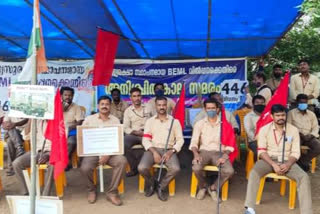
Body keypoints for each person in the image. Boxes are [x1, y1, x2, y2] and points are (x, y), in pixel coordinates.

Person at [244, 104, 313, 214]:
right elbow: (261, 151)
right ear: (272, 116)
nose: (281, 118)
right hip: (268, 160)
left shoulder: (293, 130)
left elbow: (296, 152)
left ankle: (307, 212)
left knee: (304, 177)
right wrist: (273, 164)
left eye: (283, 115)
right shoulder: (264, 129)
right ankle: (249, 208)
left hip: (287, 160)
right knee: (254, 173)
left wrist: (288, 164)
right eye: (278, 115)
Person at [80, 96, 127, 205]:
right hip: (93, 152)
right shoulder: (89, 120)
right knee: (85, 168)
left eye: (107, 104)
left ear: (110, 106)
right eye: (102, 104)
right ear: (98, 106)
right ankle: (91, 190)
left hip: (110, 153)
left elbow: (118, 140)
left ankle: (112, 192)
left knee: (122, 161)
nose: (104, 106)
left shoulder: (115, 120)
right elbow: (82, 137)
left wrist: (108, 155)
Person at [138, 96, 184, 201]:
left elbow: (180, 140)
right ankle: (151, 183)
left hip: (169, 150)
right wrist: (154, 152)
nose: (162, 107)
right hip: (152, 149)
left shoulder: (174, 122)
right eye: (159, 105)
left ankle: (161, 186)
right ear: (156, 106)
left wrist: (171, 151)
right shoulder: (150, 121)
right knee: (142, 167)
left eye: (164, 105)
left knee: (175, 168)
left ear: (167, 106)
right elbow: (145, 140)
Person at [190, 99, 234, 201]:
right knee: (196, 168)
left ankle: (213, 188)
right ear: (205, 109)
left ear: (217, 109)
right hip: (204, 151)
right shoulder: (199, 124)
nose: (211, 110)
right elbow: (194, 142)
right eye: (208, 108)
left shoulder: (225, 125)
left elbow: (230, 144)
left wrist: (225, 155)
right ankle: (203, 187)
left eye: (213, 108)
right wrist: (196, 154)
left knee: (229, 171)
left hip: (219, 152)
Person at [12, 120, 53, 196]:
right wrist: (30, 120)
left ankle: (45, 194)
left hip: (52, 152)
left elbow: (63, 144)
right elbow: (25, 137)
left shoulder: (59, 121)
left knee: (52, 164)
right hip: (37, 151)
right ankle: (27, 192)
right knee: (16, 163)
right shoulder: (37, 121)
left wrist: (49, 155)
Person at [287, 94, 320, 172]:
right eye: (301, 103)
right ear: (297, 103)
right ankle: (297, 163)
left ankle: (302, 161)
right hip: (296, 135)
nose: (303, 105)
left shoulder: (311, 114)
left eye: (305, 103)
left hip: (309, 136)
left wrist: (311, 135)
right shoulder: (291, 113)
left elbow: (316, 127)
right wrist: (298, 134)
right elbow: (288, 126)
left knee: (318, 147)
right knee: (294, 147)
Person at [123, 87, 151, 177]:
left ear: (141, 96)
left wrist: (146, 132)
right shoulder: (128, 111)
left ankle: (147, 169)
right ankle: (135, 168)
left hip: (147, 134)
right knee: (123, 143)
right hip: (134, 134)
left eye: (138, 95)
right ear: (131, 98)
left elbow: (155, 121)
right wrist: (135, 132)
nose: (137, 98)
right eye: (134, 96)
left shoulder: (148, 107)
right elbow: (125, 127)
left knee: (149, 148)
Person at [60, 87, 85, 159]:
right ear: (61, 96)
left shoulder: (76, 107)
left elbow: (80, 122)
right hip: (57, 131)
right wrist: (61, 109)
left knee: (71, 142)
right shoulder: (56, 106)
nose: (68, 97)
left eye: (70, 95)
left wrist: (69, 128)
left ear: (73, 96)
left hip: (71, 131)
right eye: (65, 95)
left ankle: (65, 161)